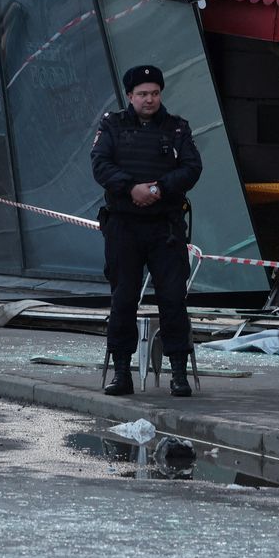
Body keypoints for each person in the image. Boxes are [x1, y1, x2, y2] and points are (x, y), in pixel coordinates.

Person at [90, 65, 202, 397]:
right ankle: (122, 372)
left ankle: (178, 373)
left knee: (172, 300)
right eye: (142, 94)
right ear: (129, 96)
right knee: (123, 299)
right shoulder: (112, 125)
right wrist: (131, 189)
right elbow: (100, 164)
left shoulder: (177, 128)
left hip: (164, 227)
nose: (149, 99)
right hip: (124, 226)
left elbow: (192, 167)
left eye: (154, 93)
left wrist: (159, 190)